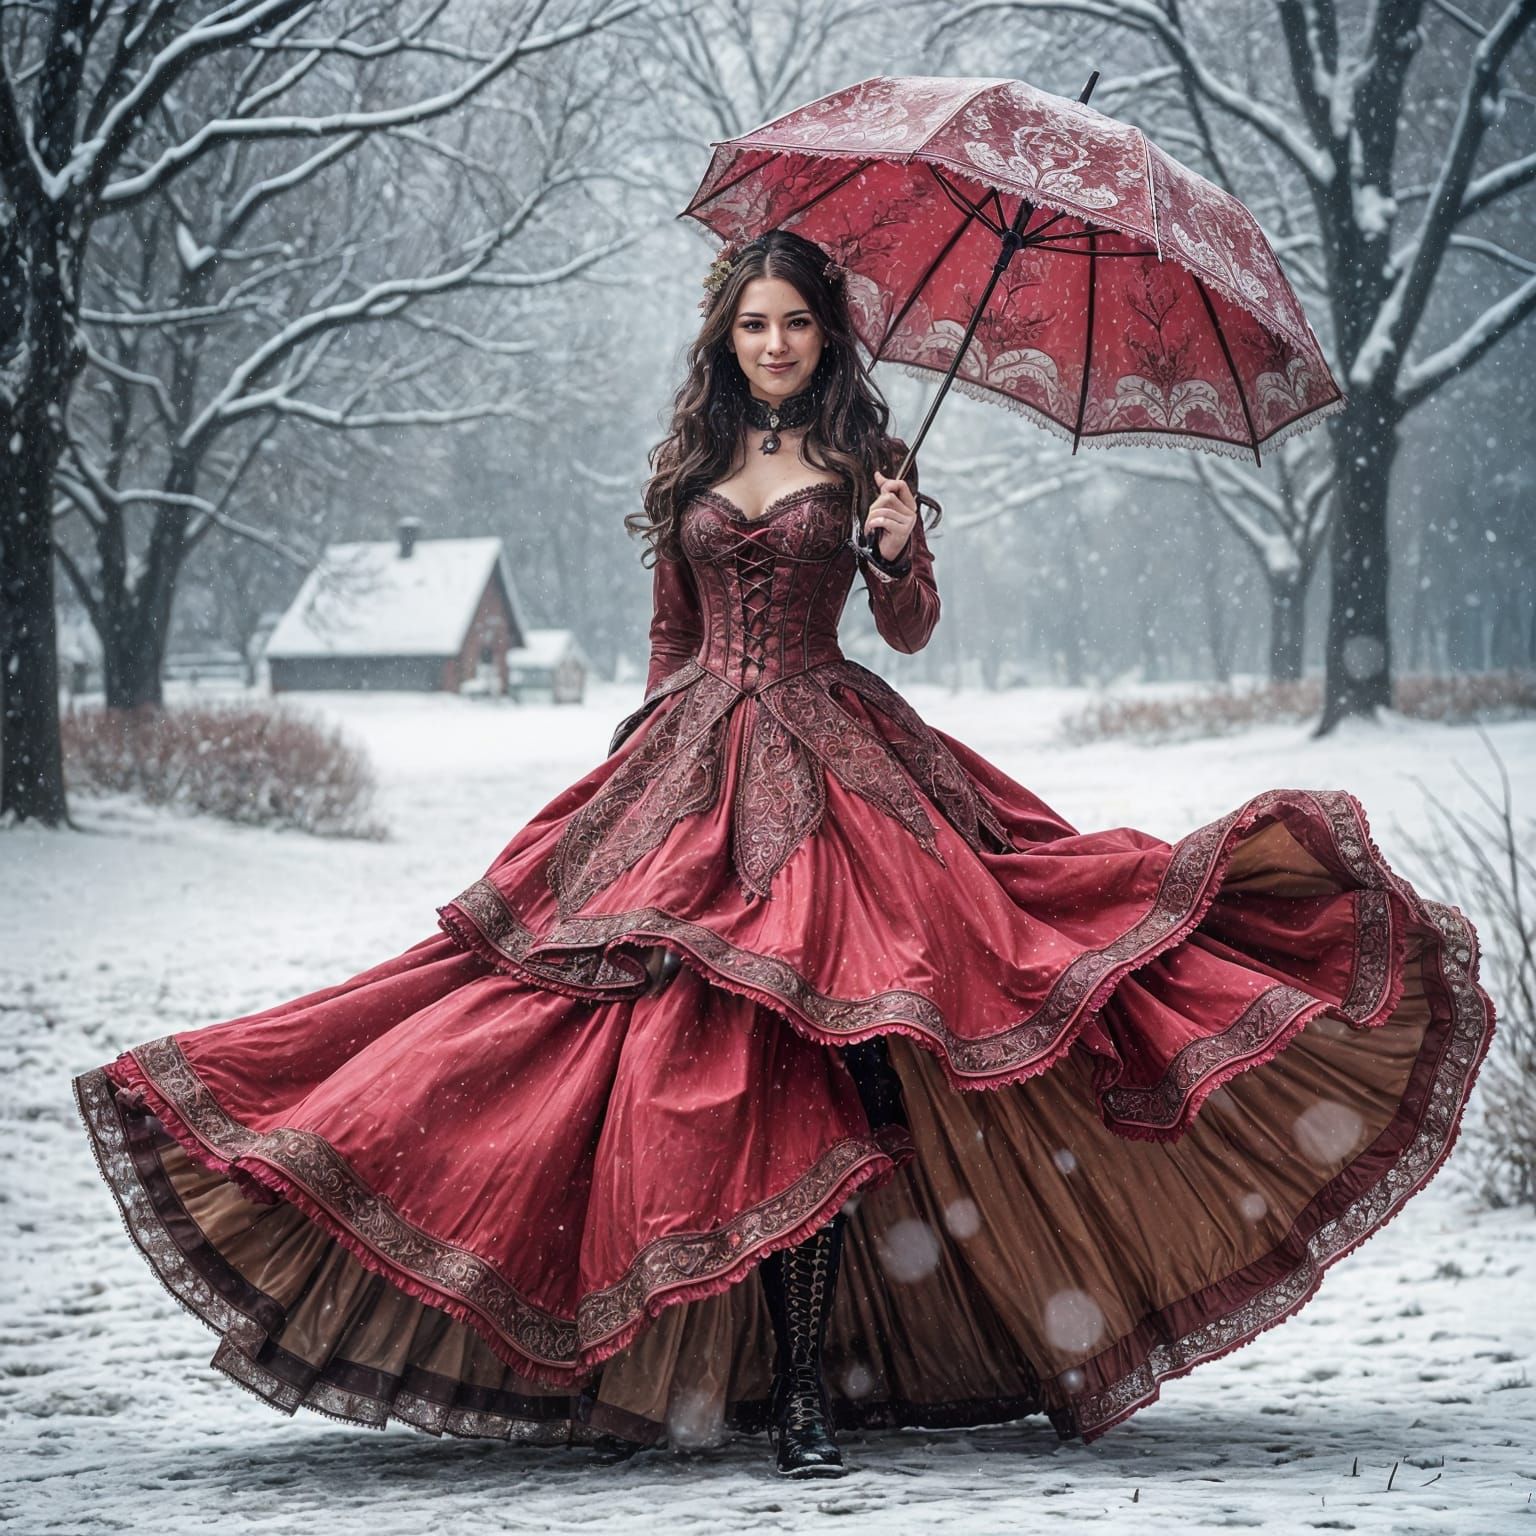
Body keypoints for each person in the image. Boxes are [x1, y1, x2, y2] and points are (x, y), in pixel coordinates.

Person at [74, 229, 1495, 1483]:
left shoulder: (873, 464)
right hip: (687, 769)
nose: (772, 344)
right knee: (637, 1060)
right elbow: (671, 640)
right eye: (752, 323)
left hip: (840, 763)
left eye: (796, 324)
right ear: (725, 335)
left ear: (827, 337)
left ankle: (816, 1384)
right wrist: (645, 765)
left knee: (857, 1052)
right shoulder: (690, 463)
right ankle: (720, 1359)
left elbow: (917, 629)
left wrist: (894, 549)